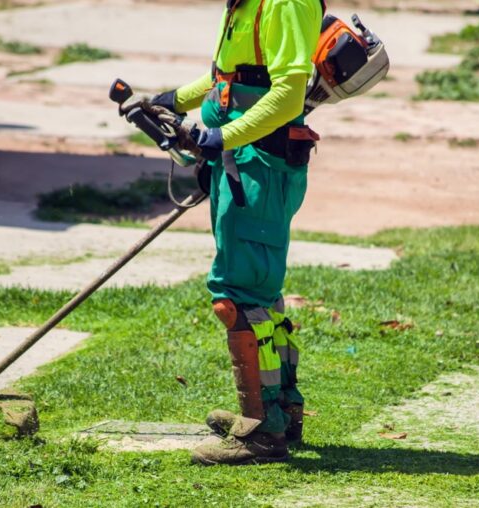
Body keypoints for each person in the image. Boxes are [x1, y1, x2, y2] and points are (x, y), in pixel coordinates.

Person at [129, 0, 322, 465]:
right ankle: (279, 411)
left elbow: (288, 94)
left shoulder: (285, 2)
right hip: (241, 164)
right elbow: (228, 81)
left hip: (258, 167)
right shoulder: (246, 4)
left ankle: (260, 433)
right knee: (260, 295)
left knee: (235, 297)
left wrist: (223, 137)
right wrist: (171, 101)